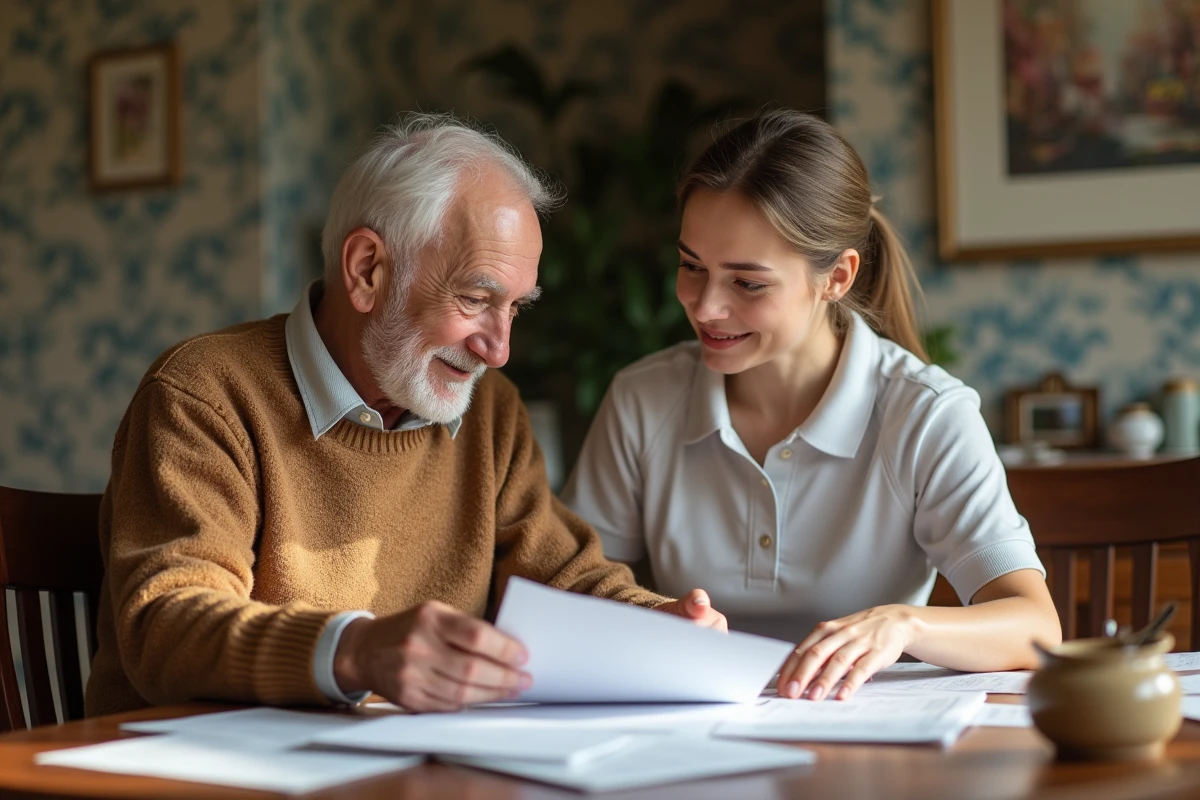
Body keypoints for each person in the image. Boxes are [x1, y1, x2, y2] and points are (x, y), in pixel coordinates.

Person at [85, 114, 726, 718]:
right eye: (475, 298)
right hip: (199, 768)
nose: (498, 350)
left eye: (515, 309)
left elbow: (565, 577)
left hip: (396, 767)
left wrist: (657, 622)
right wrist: (356, 650)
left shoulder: (490, 412)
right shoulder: (204, 393)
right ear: (367, 270)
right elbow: (165, 623)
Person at [562, 109, 1061, 703]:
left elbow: (1035, 627)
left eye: (748, 283)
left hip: (863, 735)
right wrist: (654, 618)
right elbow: (572, 595)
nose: (705, 307)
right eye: (692, 267)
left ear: (837, 277)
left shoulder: (927, 415)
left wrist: (902, 624)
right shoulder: (642, 400)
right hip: (693, 727)